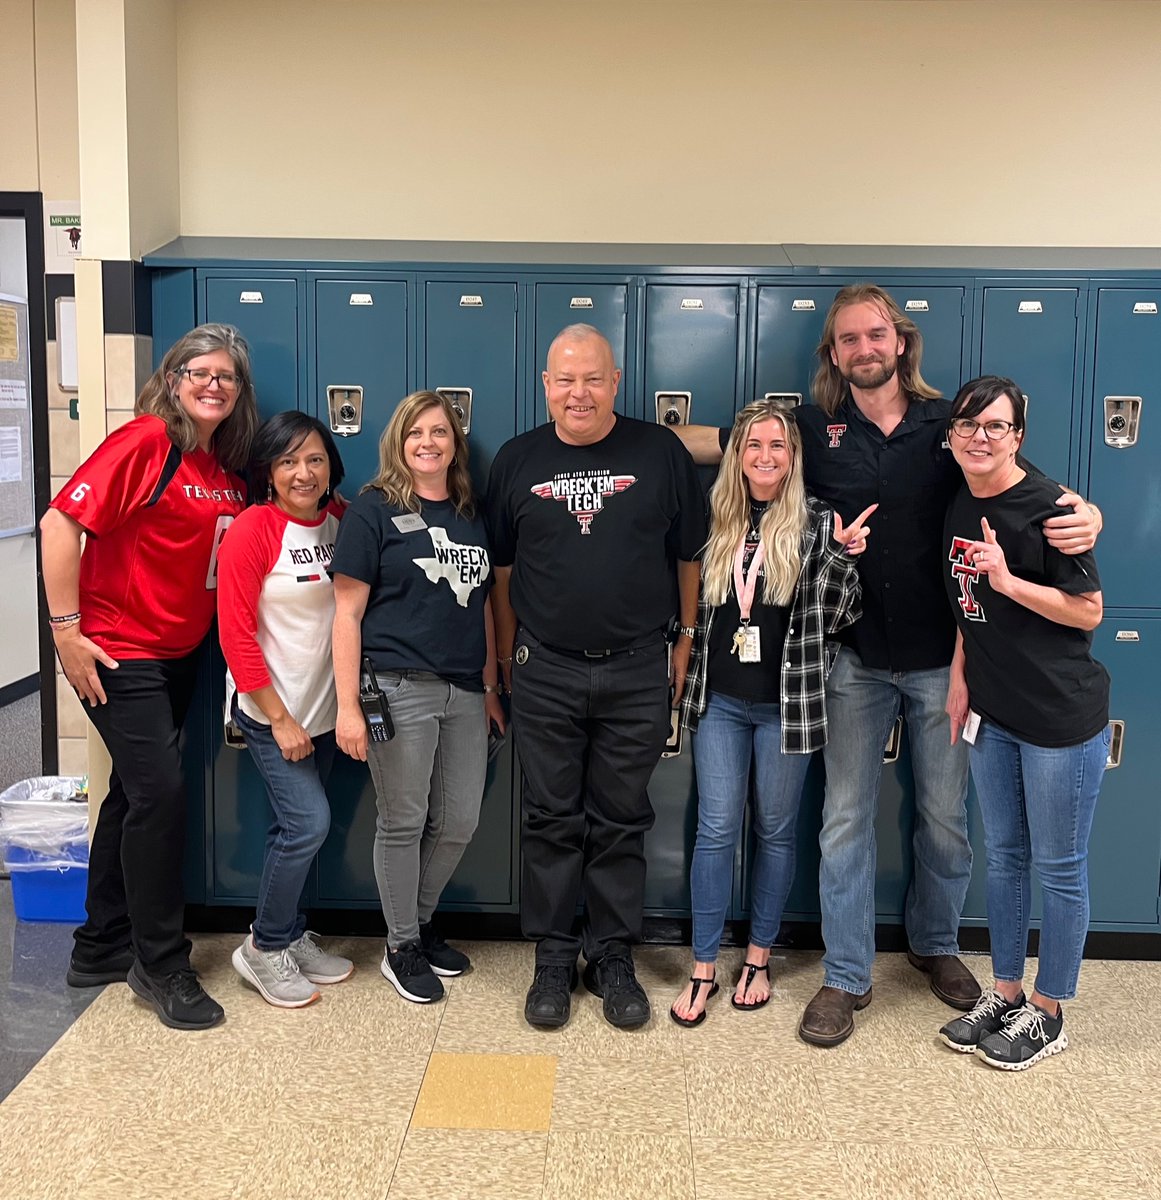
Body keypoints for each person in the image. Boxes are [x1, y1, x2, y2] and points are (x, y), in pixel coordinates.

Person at [675, 284, 1102, 1047]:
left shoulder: (949, 424)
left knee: (944, 820)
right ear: (833, 354)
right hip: (851, 659)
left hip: (947, 659)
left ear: (899, 342)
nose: (863, 349)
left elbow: (1013, 473)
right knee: (843, 821)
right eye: (847, 340)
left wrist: (1084, 511)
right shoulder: (814, 426)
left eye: (875, 335)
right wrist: (628, 434)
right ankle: (845, 975)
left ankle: (934, 945)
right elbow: (735, 442)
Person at [486, 323, 706, 1031]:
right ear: (545, 386)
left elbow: (687, 557)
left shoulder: (658, 452)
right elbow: (502, 574)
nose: (577, 392)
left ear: (615, 383)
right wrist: (502, 663)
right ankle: (554, 954)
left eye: (592, 378)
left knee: (619, 821)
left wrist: (686, 639)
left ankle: (611, 953)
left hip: (638, 666)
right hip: (544, 667)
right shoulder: (518, 460)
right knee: (549, 820)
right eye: (563, 379)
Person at [40, 323, 258, 1030]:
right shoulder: (145, 442)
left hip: (177, 654)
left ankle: (101, 943)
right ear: (172, 380)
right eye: (198, 371)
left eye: (225, 375)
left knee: (135, 794)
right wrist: (66, 632)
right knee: (161, 793)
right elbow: (58, 524)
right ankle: (159, 964)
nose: (212, 384)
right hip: (117, 650)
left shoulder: (220, 469)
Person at [671, 400, 871, 1027]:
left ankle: (758, 956)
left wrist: (842, 558)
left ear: (794, 457)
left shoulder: (816, 522)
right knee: (716, 830)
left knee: (777, 832)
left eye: (778, 446)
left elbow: (842, 616)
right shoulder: (713, 516)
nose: (764, 456)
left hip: (788, 708)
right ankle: (704, 965)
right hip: (722, 702)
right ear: (736, 454)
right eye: (752, 445)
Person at [937, 376, 1108, 1070]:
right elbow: (963, 603)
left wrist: (1009, 581)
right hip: (994, 710)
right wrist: (958, 675)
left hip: (1057, 719)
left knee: (1058, 867)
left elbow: (1088, 610)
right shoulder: (958, 495)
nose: (980, 437)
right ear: (951, 433)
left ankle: (1049, 1010)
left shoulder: (1048, 507)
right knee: (1003, 857)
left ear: (1018, 437)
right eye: (968, 424)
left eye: (996, 427)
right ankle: (1005, 992)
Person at [331, 390, 504, 1004]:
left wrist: (488, 687)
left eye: (439, 432)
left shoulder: (468, 512)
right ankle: (402, 944)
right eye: (415, 433)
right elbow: (346, 614)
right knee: (401, 821)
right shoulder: (374, 510)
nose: (428, 443)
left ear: (455, 443)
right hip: (396, 686)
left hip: (462, 691)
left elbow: (480, 605)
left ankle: (420, 923)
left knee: (459, 819)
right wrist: (348, 705)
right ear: (397, 442)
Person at [217, 412, 355, 1008]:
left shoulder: (340, 522)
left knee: (293, 829)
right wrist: (278, 718)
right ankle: (263, 948)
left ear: (331, 468)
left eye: (315, 459)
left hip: (325, 712)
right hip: (274, 713)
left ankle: (292, 935)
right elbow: (236, 634)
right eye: (289, 461)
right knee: (308, 825)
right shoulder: (254, 528)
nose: (304, 472)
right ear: (269, 472)